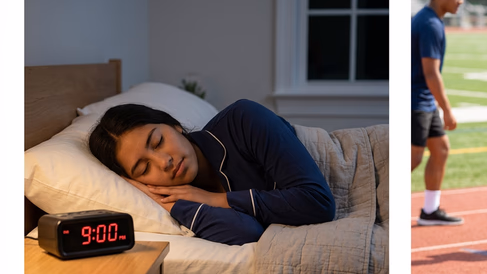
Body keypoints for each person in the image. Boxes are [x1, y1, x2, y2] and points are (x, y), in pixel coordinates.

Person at [89, 99, 336, 245]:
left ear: (174, 125)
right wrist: (162, 200)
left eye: (158, 142)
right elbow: (248, 233)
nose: (164, 162)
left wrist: (216, 199)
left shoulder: (244, 119)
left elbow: (318, 202)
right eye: (144, 168)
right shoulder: (181, 199)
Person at [411, 0, 466, 226]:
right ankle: (378, 206)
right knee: (410, 160)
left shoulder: (430, 19)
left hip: (424, 101)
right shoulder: (430, 24)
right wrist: (447, 110)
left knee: (441, 149)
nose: (461, 1)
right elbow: (431, 73)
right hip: (415, 101)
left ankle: (430, 211)